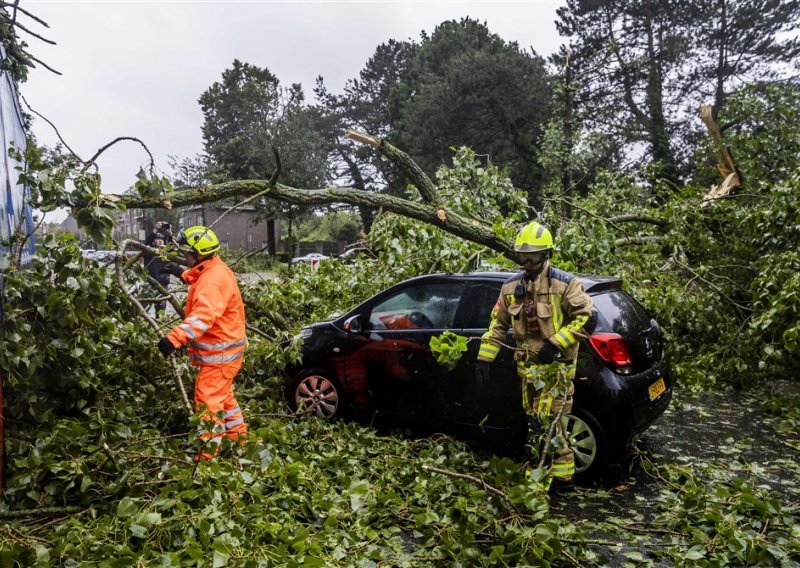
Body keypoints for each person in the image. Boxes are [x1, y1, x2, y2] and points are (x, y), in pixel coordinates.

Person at [475, 221, 594, 493]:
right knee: (546, 425)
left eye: (533, 257)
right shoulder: (510, 287)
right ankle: (564, 478)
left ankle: (536, 478)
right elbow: (498, 325)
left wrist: (556, 343)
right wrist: (484, 359)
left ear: (546, 255)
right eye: (523, 256)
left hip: (557, 373)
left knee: (544, 426)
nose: (527, 262)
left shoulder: (566, 284)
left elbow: (588, 319)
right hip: (527, 373)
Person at [156, 226, 248, 459]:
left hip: (220, 354)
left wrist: (172, 339)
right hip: (227, 351)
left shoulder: (212, 281)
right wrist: (181, 273)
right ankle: (238, 438)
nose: (185, 256)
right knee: (224, 397)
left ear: (198, 254)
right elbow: (201, 276)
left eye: (187, 253)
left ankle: (207, 457)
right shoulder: (213, 268)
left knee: (208, 403)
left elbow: (203, 317)